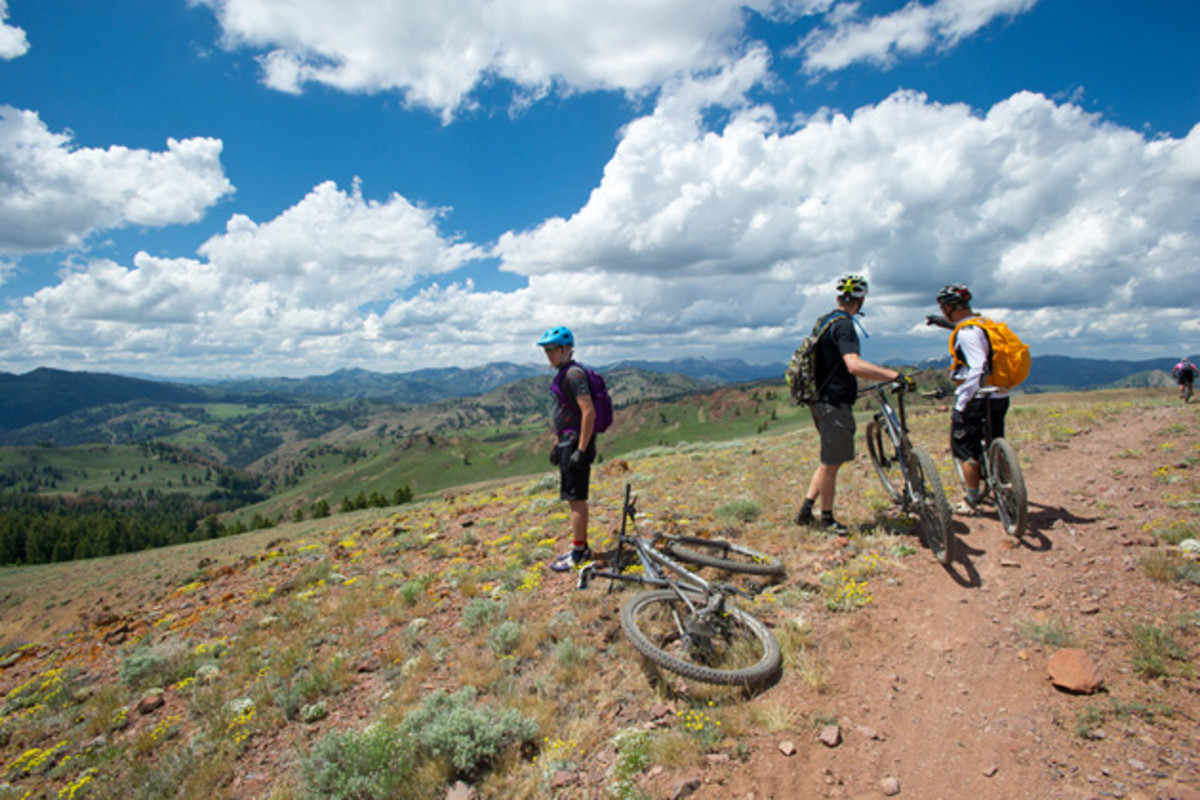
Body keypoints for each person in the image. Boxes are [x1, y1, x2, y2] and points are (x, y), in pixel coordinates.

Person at [795, 274, 905, 534]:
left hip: (819, 400)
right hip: (834, 403)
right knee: (832, 464)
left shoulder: (824, 321)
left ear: (838, 299)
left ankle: (805, 510)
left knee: (828, 459)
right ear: (861, 301)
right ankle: (827, 518)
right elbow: (853, 364)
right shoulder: (844, 325)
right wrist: (893, 375)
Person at [937, 283, 1007, 515]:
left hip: (976, 397)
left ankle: (971, 499)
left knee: (966, 449)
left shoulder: (967, 333)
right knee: (995, 439)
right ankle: (1004, 484)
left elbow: (977, 366)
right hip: (998, 393)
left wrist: (961, 404)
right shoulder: (983, 323)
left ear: (948, 307)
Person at [537, 325, 598, 571]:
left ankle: (579, 553)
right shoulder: (563, 373)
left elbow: (588, 412)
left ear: (567, 349)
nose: (549, 355)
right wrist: (556, 443)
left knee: (576, 500)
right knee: (574, 499)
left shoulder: (573, 375)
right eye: (547, 351)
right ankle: (580, 547)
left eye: (553, 350)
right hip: (567, 442)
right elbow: (564, 413)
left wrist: (580, 450)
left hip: (575, 444)